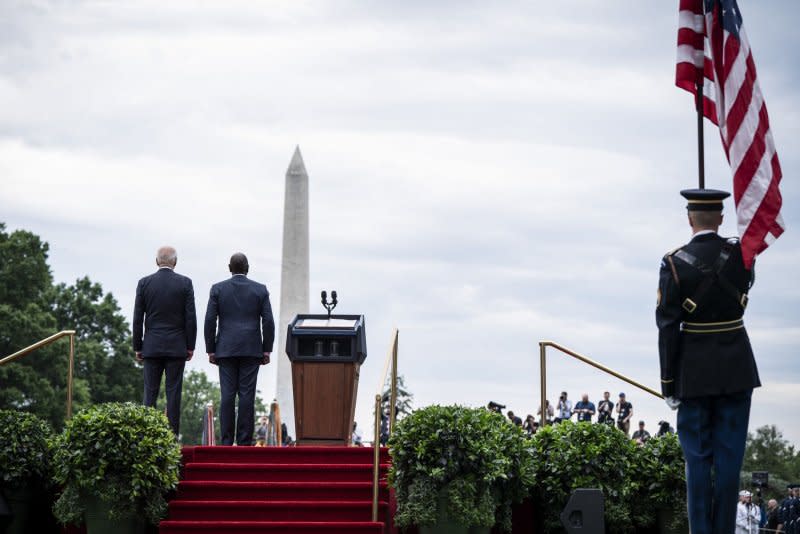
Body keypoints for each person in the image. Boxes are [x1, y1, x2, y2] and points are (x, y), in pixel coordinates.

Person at [656, 189, 761, 534]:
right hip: (736, 368)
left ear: (689, 219)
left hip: (694, 374)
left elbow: (668, 327)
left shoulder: (673, 262)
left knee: (697, 461)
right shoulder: (743, 255)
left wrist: (668, 383)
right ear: (720, 218)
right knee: (730, 462)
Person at [204, 252, 275, 446]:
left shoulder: (218, 289)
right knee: (247, 395)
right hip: (251, 348)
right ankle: (244, 441)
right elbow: (268, 321)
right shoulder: (260, 290)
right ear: (248, 268)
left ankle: (226, 441)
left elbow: (210, 320)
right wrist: (266, 349)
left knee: (227, 395)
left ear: (229, 268)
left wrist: (211, 349)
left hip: (225, 348)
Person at [132, 246, 196, 436]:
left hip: (151, 346)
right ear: (175, 262)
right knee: (174, 393)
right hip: (177, 347)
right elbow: (190, 318)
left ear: (157, 261)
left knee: (150, 392)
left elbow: (137, 318)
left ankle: (147, 435)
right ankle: (172, 436)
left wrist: (138, 346)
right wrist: (190, 346)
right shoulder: (185, 284)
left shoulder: (144, 283)